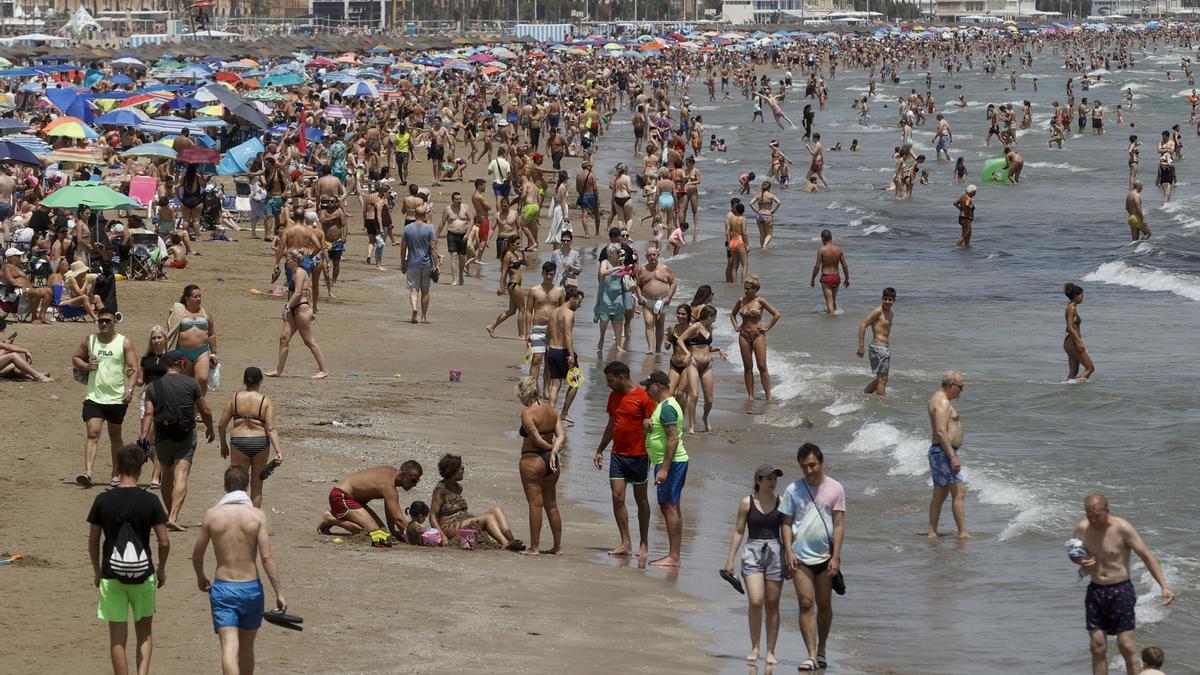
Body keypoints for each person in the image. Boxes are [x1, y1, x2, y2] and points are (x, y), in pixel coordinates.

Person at [192, 465, 287, 675]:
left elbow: (197, 553)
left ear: (225, 487)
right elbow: (267, 557)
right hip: (251, 588)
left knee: (229, 646)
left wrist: (201, 576)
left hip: (224, 588)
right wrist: (279, 592)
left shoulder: (212, 515)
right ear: (246, 486)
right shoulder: (257, 516)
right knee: (247, 648)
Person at [87, 443, 170, 675]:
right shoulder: (151, 501)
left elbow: (93, 541)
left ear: (117, 467)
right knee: (144, 633)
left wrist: (96, 571)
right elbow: (164, 541)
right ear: (140, 471)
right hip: (143, 575)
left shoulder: (103, 501)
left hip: (112, 575)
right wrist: (161, 568)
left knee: (117, 639)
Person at [1071, 494, 1174, 675]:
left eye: (1098, 516)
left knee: (1125, 645)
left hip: (1120, 590)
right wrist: (1080, 561)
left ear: (1107, 511)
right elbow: (1074, 553)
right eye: (1090, 516)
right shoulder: (1082, 528)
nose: (1094, 520)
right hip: (1095, 591)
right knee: (1097, 647)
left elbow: (1147, 556)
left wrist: (1164, 586)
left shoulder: (1122, 528)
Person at [780, 443, 845, 672]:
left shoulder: (835, 488)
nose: (809, 471)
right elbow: (786, 524)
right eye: (804, 467)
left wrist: (836, 556)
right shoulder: (792, 490)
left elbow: (838, 525)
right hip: (800, 557)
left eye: (812, 465)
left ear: (821, 462)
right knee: (805, 603)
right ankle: (810, 654)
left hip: (826, 557)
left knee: (824, 604)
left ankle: (822, 649)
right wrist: (788, 551)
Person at [142, 350, 214, 532]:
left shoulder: (153, 387)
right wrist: (210, 429)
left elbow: (149, 413)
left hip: (163, 436)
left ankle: (169, 515)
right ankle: (173, 516)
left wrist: (143, 437)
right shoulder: (192, 384)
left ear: (166, 364)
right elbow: (204, 410)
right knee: (181, 475)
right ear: (182, 364)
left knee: (167, 476)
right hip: (185, 435)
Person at [723, 464, 785, 665]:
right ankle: (755, 647)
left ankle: (770, 651)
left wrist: (792, 556)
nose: (773, 482)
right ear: (758, 480)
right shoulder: (746, 502)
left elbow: (787, 531)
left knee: (773, 604)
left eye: (775, 478)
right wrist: (730, 559)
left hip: (776, 551)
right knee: (756, 601)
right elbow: (739, 531)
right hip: (752, 552)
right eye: (768, 478)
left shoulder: (782, 501)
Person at [593, 361, 657, 557]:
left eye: (611, 380)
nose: (608, 384)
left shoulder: (644, 398)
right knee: (617, 496)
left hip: (639, 455)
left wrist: (648, 423)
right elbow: (612, 424)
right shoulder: (613, 397)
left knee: (641, 500)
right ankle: (625, 542)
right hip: (617, 455)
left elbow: (655, 424)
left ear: (622, 378)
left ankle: (644, 543)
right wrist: (600, 449)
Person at [74, 309, 138, 488]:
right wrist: (86, 366)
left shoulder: (123, 342)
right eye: (100, 321)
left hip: (117, 398)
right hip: (94, 396)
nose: (103, 324)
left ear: (113, 322)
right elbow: (76, 357)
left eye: (107, 321)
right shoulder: (90, 340)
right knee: (93, 432)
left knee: (115, 435)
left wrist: (130, 390)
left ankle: (116, 473)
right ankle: (88, 473)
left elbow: (134, 368)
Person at [430, 453, 525, 552]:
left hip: (462, 521)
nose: (463, 470)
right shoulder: (441, 489)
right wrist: (442, 536)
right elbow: (432, 516)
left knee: (496, 510)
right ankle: (504, 543)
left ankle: (511, 540)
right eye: (461, 469)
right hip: (449, 526)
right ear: (453, 472)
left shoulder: (458, 488)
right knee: (489, 517)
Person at [641, 371, 689, 567]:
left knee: (669, 508)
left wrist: (664, 469)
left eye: (648, 386)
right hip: (669, 462)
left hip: (671, 463)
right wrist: (648, 426)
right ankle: (674, 555)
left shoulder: (668, 407)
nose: (646, 390)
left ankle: (674, 556)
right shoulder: (664, 407)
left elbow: (673, 438)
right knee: (671, 507)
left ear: (658, 386)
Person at [218, 367, 284, 508]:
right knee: (257, 486)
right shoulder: (265, 401)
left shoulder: (234, 398)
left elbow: (221, 424)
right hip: (260, 442)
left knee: (236, 483)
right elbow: (271, 428)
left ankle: (237, 518)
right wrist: (278, 451)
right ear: (260, 381)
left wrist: (223, 444)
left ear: (244, 380)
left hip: (239, 442)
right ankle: (254, 519)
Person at [515, 377, 566, 555]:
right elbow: (561, 436)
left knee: (535, 504)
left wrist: (549, 448)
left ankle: (534, 547)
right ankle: (557, 547)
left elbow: (536, 439)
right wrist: (553, 451)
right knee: (551, 504)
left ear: (524, 394)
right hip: (551, 463)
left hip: (532, 460)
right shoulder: (551, 410)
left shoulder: (527, 413)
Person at [317, 463, 423, 539]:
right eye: (413, 480)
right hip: (342, 496)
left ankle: (335, 518)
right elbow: (399, 520)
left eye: (417, 480)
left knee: (384, 533)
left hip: (353, 500)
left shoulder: (391, 474)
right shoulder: (388, 486)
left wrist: (393, 532)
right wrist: (419, 534)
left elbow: (391, 511)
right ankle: (330, 519)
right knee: (375, 534)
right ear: (403, 474)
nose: (415, 484)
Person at [266, 250, 328, 379]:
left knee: (309, 341)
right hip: (294, 309)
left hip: (300, 309)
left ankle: (323, 370)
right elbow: (308, 290)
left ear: (294, 260)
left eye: (288, 259)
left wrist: (288, 307)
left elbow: (299, 292)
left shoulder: (300, 272)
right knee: (284, 338)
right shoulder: (295, 273)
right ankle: (278, 370)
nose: (286, 261)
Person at [928, 371, 969, 539]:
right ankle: (963, 533)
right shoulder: (943, 402)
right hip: (943, 451)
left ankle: (932, 532)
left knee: (941, 493)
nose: (962, 390)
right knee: (959, 491)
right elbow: (940, 430)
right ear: (951, 386)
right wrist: (952, 456)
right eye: (961, 387)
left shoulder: (938, 399)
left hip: (940, 451)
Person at [731, 276, 781, 402]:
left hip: (758, 335)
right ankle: (750, 396)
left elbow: (776, 314)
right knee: (748, 366)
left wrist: (767, 327)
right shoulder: (741, 301)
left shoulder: (760, 301)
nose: (746, 291)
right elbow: (732, 314)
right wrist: (736, 326)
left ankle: (768, 396)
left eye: (748, 289)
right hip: (744, 335)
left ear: (755, 289)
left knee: (762, 365)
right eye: (745, 288)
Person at [167, 284, 218, 396]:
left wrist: (214, 353)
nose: (199, 299)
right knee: (186, 382)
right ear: (187, 298)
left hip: (202, 352)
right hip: (183, 352)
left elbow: (212, 333)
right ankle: (187, 407)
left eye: (200, 296)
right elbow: (171, 331)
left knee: (202, 379)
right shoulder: (178, 312)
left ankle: (197, 409)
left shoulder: (205, 313)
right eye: (195, 296)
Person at [136, 327, 169, 489]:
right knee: (146, 440)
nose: (156, 341)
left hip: (164, 398)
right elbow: (140, 381)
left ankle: (155, 477)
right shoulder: (145, 358)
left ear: (165, 339)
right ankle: (162, 466)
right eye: (154, 338)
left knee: (157, 439)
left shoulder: (170, 358)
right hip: (147, 396)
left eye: (159, 337)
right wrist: (132, 375)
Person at [634, 244, 676, 354]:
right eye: (649, 255)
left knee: (660, 324)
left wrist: (669, 297)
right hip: (647, 300)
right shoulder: (642, 270)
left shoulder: (665, 268)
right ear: (646, 257)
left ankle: (658, 348)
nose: (652, 257)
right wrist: (639, 297)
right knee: (649, 322)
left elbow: (673, 283)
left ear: (658, 255)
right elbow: (638, 285)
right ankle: (650, 348)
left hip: (662, 300)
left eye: (654, 255)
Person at [399, 205, 439, 324]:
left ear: (415, 215)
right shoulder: (430, 228)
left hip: (412, 263)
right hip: (426, 263)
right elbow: (433, 248)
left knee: (413, 289)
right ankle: (424, 317)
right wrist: (436, 264)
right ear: (425, 215)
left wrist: (402, 263)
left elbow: (403, 248)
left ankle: (414, 308)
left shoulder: (407, 228)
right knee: (425, 291)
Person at [856, 288, 896, 395]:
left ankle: (863, 394)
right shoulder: (878, 311)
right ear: (882, 299)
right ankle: (882, 404)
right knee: (882, 380)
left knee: (881, 379)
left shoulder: (891, 314)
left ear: (894, 301)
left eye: (890, 300)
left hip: (884, 349)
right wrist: (861, 346)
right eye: (885, 299)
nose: (887, 302)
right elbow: (863, 325)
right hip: (878, 348)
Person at [810, 230, 849, 315]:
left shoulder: (822, 250)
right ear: (831, 238)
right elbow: (845, 265)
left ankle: (832, 323)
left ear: (822, 239)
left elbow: (817, 266)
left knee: (829, 303)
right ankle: (834, 322)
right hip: (836, 278)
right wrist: (847, 278)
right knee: (833, 301)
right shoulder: (839, 249)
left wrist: (812, 279)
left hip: (826, 278)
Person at [1063, 283, 1095, 381]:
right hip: (1073, 342)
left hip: (1069, 342)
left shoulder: (1071, 307)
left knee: (1073, 372)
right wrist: (1079, 342)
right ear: (1076, 296)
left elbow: (1069, 328)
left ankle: (1069, 390)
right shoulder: (1071, 308)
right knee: (1090, 368)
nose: (1083, 298)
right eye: (1081, 296)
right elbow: (1070, 327)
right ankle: (1075, 387)